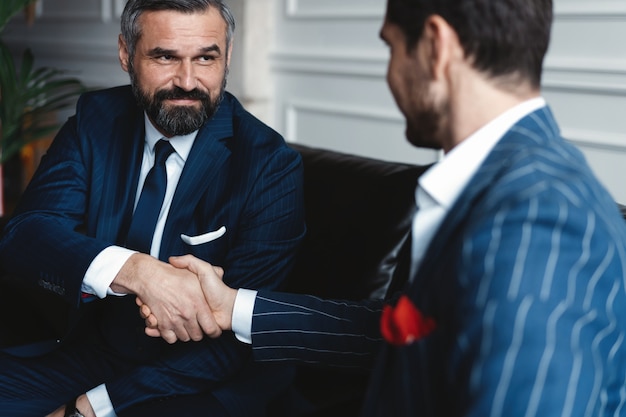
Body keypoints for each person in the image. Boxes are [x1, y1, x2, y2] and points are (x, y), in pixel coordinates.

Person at [140, 0, 626, 416]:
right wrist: (234, 307)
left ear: (435, 47)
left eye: (392, 47)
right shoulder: (485, 189)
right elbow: (394, 334)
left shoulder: (540, 222)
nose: (390, 71)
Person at [0, 0, 305, 416]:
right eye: (165, 56)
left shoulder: (268, 163)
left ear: (228, 56)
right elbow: (27, 233)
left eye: (205, 58)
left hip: (205, 375)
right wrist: (139, 272)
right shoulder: (97, 119)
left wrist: (90, 407)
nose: (187, 80)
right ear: (126, 53)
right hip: (94, 349)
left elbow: (236, 341)